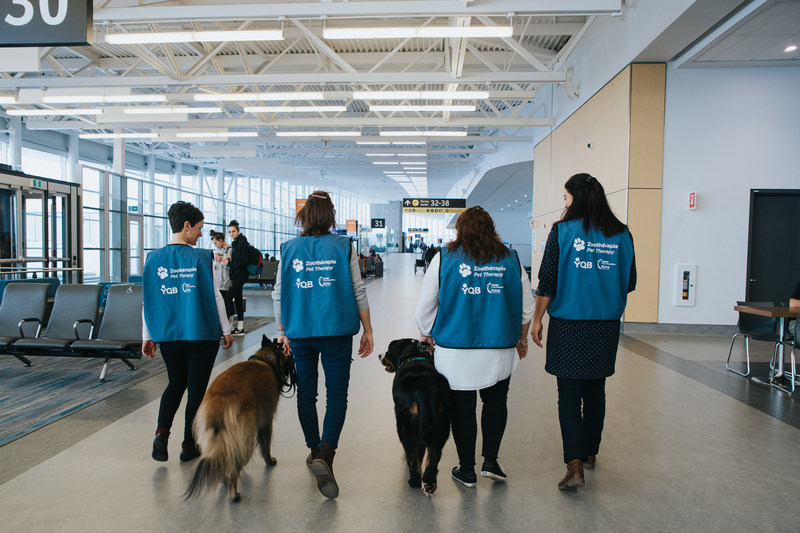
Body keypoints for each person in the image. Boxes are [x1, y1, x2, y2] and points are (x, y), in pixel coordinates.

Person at [531, 173, 636, 491]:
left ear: (575, 198)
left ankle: (574, 463)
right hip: (605, 324)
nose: (564, 203)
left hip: (568, 323)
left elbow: (547, 281)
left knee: (569, 394)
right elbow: (629, 281)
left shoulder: (562, 231)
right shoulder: (622, 233)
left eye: (565, 197)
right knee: (595, 391)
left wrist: (537, 319)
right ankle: (590, 452)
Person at [415, 206, 534, 488]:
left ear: (459, 230)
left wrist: (427, 335)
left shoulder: (444, 258)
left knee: (462, 408)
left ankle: (466, 469)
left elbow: (424, 309)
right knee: (495, 401)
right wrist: (522, 338)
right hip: (499, 346)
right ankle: (490, 461)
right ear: (491, 228)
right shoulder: (511, 259)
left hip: (455, 349)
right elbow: (527, 309)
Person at [272, 190, 374, 499]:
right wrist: (368, 329)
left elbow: (278, 293)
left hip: (300, 331)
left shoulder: (288, 249)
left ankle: (313, 449)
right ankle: (326, 454)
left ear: (303, 218)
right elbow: (358, 288)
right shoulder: (344, 246)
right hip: (337, 330)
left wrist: (282, 332)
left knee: (307, 393)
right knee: (337, 395)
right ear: (330, 218)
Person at [142, 201, 233, 463]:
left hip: (168, 335)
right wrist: (226, 330)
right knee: (195, 390)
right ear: (186, 226)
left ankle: (161, 434)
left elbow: (148, 301)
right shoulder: (203, 258)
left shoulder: (153, 258)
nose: (202, 234)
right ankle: (189, 445)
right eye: (200, 228)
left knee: (175, 383)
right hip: (201, 334)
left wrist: (147, 336)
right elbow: (216, 296)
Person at [226, 219, 250, 336]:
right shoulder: (238, 243)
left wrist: (229, 263)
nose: (231, 234)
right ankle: (240, 328)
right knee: (238, 301)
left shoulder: (241, 244)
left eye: (233, 231)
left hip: (239, 276)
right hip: (238, 276)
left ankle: (228, 327)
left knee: (227, 299)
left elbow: (242, 262)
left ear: (238, 231)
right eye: (229, 232)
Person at [210, 230, 234, 330]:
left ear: (220, 240)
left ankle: (230, 325)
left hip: (227, 281)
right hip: (219, 281)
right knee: (223, 303)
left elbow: (230, 265)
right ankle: (224, 325)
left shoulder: (229, 249)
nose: (216, 245)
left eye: (216, 243)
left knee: (227, 302)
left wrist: (221, 261)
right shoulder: (217, 251)